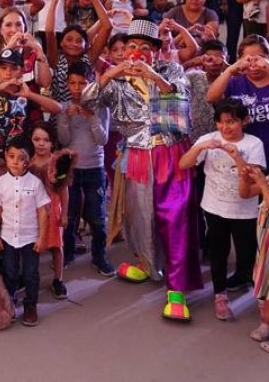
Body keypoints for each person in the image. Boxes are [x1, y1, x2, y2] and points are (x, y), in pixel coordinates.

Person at [82, 18, 202, 321]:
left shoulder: (171, 70)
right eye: (131, 48)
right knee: (140, 217)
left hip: (171, 153)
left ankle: (177, 290)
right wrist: (110, 74)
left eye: (144, 48)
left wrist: (153, 77)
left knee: (174, 219)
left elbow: (181, 96)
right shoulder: (117, 83)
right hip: (136, 155)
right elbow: (86, 100)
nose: (136, 54)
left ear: (155, 51)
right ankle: (149, 265)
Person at [179, 99, 265, 320]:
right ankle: (220, 295)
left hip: (245, 212)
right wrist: (200, 147)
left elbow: (253, 182)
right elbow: (184, 164)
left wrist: (235, 155)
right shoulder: (209, 139)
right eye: (221, 122)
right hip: (214, 207)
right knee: (218, 252)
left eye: (232, 122)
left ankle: (250, 285)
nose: (226, 127)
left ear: (244, 122)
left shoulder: (253, 144)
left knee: (247, 256)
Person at [56, 62, 114, 274]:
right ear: (67, 84)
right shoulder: (62, 106)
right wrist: (64, 118)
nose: (78, 88)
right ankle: (68, 253)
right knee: (69, 215)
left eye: (83, 83)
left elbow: (102, 140)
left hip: (95, 168)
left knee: (97, 215)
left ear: (91, 84)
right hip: (72, 169)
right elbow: (63, 140)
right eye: (73, 83)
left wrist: (91, 118)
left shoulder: (101, 107)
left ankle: (100, 257)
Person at [0, 137, 50, 327]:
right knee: (9, 272)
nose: (15, 161)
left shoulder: (35, 183)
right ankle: (10, 302)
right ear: (6, 157)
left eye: (20, 158)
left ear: (28, 161)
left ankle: (30, 306)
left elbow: (43, 212)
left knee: (31, 274)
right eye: (11, 156)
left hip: (30, 238)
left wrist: (42, 238)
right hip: (7, 238)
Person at [207, 35, 269, 165]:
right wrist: (230, 70)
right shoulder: (234, 83)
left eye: (261, 57)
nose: (254, 63)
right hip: (243, 155)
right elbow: (211, 98)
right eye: (248, 58)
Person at [28, 123, 72, 300]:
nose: (41, 144)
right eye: (37, 139)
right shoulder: (27, 163)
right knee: (32, 247)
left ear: (52, 143)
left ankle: (58, 279)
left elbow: (63, 191)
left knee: (56, 246)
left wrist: (65, 214)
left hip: (53, 209)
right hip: (32, 212)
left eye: (45, 140)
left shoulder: (57, 163)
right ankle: (31, 278)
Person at [239, 166, 269, 351]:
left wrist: (264, 186)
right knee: (264, 287)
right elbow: (246, 194)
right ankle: (266, 325)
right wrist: (243, 179)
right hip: (265, 243)